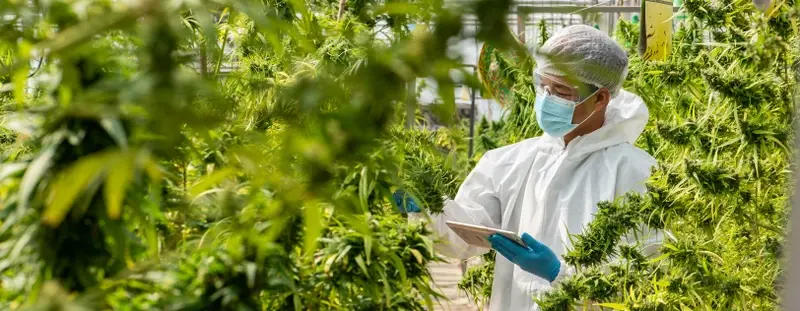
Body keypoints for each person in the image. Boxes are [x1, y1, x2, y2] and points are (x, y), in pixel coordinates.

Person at [394, 25, 661, 310]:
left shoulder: (637, 172)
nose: (547, 98)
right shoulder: (508, 161)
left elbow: (648, 273)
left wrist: (561, 275)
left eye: (562, 90)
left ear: (600, 98)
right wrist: (426, 207)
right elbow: (463, 241)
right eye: (543, 86)